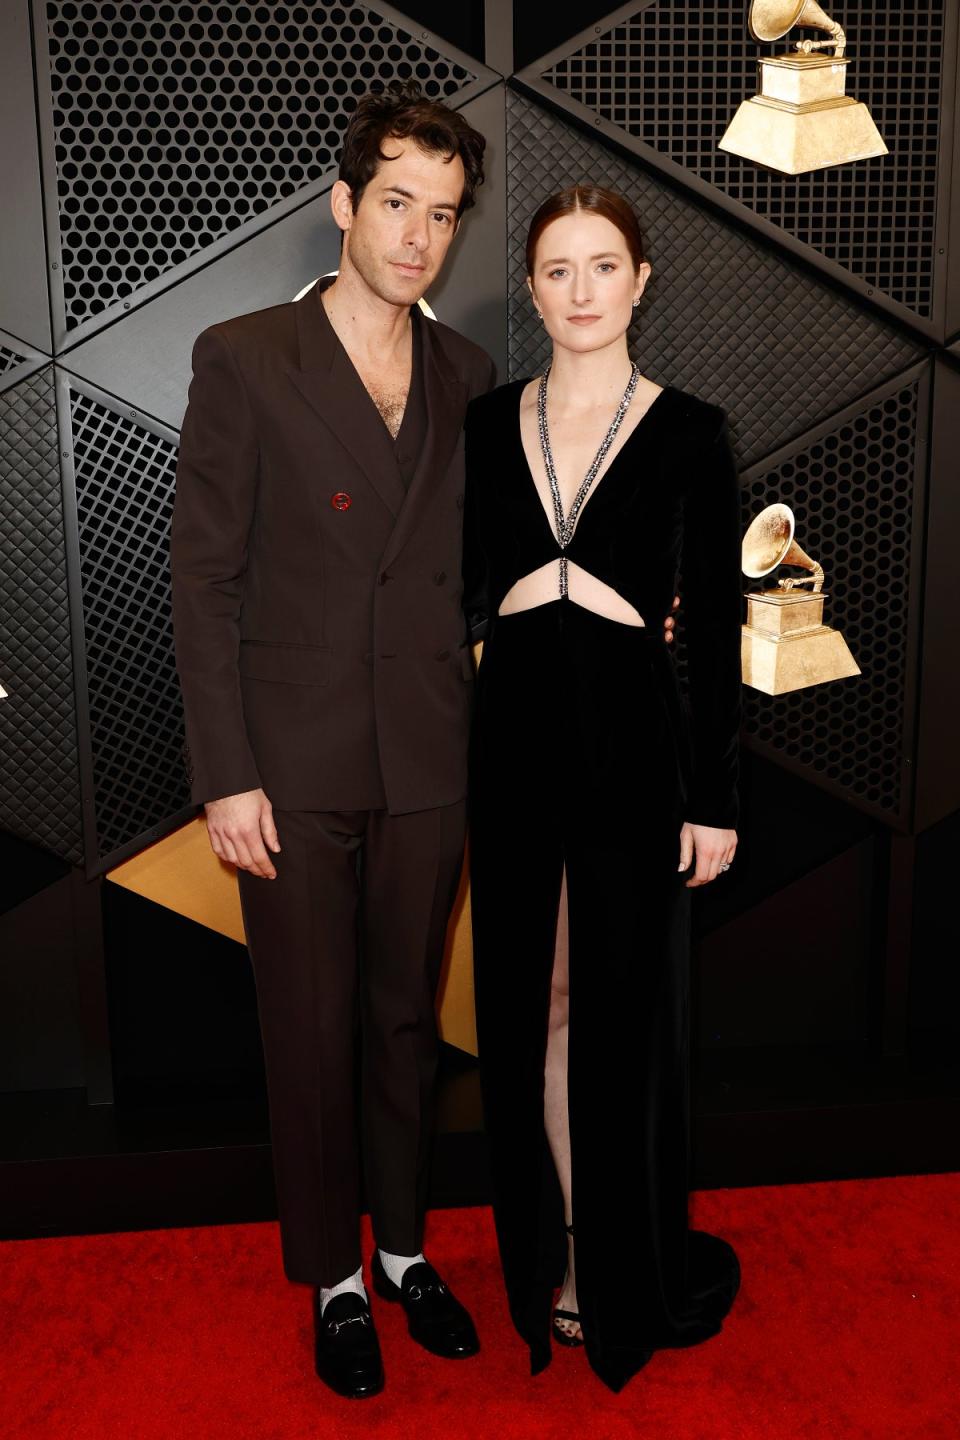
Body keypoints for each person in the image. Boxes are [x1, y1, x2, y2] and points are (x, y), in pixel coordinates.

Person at [170, 82, 495, 1400]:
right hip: (290, 766)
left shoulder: (473, 374)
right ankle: (337, 1280)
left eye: (445, 214)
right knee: (309, 1029)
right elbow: (204, 580)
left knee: (405, 1021)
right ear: (345, 205)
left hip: (428, 751)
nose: (419, 236)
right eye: (398, 203)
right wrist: (226, 773)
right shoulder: (244, 355)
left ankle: (410, 1249)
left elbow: (482, 573)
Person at [462, 185, 743, 1393]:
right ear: (530, 288)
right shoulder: (482, 424)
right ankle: (563, 1256)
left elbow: (717, 628)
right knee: (536, 1007)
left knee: (616, 1016)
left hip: (634, 749)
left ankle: (625, 1265)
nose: (580, 290)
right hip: (513, 741)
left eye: (603, 266)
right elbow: (450, 587)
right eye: (557, 270)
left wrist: (714, 797)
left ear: (642, 281)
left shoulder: (691, 431)